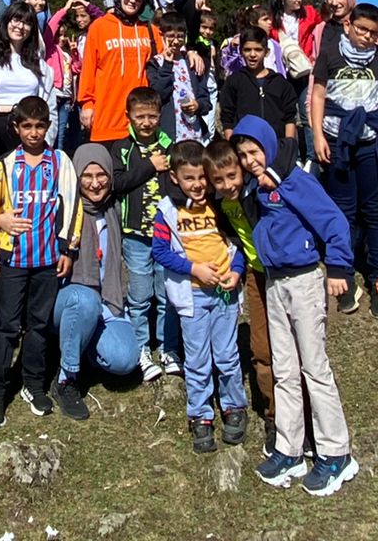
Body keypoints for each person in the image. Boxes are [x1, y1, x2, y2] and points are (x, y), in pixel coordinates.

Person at [229, 116, 359, 497]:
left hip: (304, 281)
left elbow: (332, 219)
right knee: (284, 369)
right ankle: (290, 448)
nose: (250, 160)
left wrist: (338, 267)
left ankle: (336, 452)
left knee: (314, 368)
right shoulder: (257, 187)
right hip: (274, 282)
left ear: (268, 147)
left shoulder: (295, 180)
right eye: (243, 155)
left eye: (254, 152)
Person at [0, 97, 72, 428]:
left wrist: (68, 249)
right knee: (6, 325)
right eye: (27, 126)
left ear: (48, 126)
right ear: (16, 128)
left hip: (47, 259)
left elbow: (71, 208)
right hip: (15, 259)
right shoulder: (6, 165)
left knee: (39, 325)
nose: (34, 133)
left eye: (40, 126)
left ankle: (33, 384)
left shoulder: (59, 162)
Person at [151, 141, 249, 453]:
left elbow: (238, 243)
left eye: (201, 178)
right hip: (192, 296)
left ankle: (234, 406)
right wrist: (194, 269)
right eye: (189, 178)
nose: (197, 185)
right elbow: (160, 251)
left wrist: (236, 271)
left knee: (227, 355)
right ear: (176, 178)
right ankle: (201, 414)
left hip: (224, 294)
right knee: (197, 359)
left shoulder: (220, 205)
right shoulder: (167, 211)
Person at [309, 1, 378, 319]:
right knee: (342, 211)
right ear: (349, 26)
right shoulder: (330, 53)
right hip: (336, 142)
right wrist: (318, 135)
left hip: (371, 144)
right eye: (361, 29)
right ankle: (343, 274)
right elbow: (318, 95)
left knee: (374, 213)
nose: (367, 37)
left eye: (374, 33)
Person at [52, 144, 143, 417]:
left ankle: (85, 348)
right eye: (87, 176)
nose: (95, 184)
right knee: (85, 299)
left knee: (125, 359)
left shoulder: (113, 208)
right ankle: (66, 378)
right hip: (69, 302)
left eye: (101, 175)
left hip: (108, 303)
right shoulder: (64, 210)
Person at [203, 137, 275, 450]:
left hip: (284, 274)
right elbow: (237, 244)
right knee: (262, 348)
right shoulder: (220, 204)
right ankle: (274, 415)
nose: (227, 184)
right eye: (217, 181)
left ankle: (305, 412)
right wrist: (238, 270)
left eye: (232, 176)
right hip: (256, 277)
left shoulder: (261, 190)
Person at [107, 84, 182, 378]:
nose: (146, 122)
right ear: (129, 117)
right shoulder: (123, 148)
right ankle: (140, 348)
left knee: (166, 294)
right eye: (140, 117)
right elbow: (118, 183)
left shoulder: (169, 145)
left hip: (164, 235)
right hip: (135, 233)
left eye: (152, 116)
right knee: (139, 296)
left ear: (160, 116)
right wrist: (150, 166)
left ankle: (168, 347)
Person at [79, 0, 163, 142]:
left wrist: (191, 52)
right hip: (106, 120)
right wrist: (87, 105)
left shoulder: (151, 31)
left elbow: (170, 57)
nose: (133, 0)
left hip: (141, 123)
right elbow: (88, 69)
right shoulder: (99, 27)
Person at [219, 25, 298, 150]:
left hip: (277, 148)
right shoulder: (234, 81)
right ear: (240, 51)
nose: (252, 54)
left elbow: (289, 118)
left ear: (266, 52)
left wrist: (288, 147)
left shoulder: (279, 83)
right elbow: (227, 119)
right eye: (247, 50)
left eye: (258, 49)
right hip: (245, 149)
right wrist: (233, 148)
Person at [147, 9, 216, 142]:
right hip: (169, 135)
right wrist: (167, 64)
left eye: (180, 36)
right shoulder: (155, 64)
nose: (176, 41)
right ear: (162, 36)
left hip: (195, 134)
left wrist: (198, 105)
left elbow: (206, 100)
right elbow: (158, 95)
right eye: (171, 36)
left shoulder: (192, 62)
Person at [0, 5, 49, 120]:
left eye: (27, 23)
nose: (20, 26)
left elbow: (49, 107)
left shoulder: (40, 65)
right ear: (7, 22)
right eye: (16, 20)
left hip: (28, 128)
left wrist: (47, 137)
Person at [45, 0, 94, 150]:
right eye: (58, 35)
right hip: (55, 93)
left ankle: (62, 158)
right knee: (53, 131)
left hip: (67, 97)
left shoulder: (67, 52)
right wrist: (65, 9)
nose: (62, 38)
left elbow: (76, 68)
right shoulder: (50, 49)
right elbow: (50, 26)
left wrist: (73, 52)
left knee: (64, 132)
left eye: (64, 35)